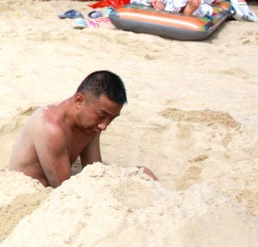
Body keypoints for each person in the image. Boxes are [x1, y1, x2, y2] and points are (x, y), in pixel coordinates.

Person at [9, 71, 155, 188]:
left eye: (112, 118)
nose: (104, 126)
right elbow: (64, 189)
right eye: (102, 115)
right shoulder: (51, 128)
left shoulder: (90, 124)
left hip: (62, 184)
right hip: (33, 191)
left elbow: (94, 169)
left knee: (145, 173)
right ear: (79, 100)